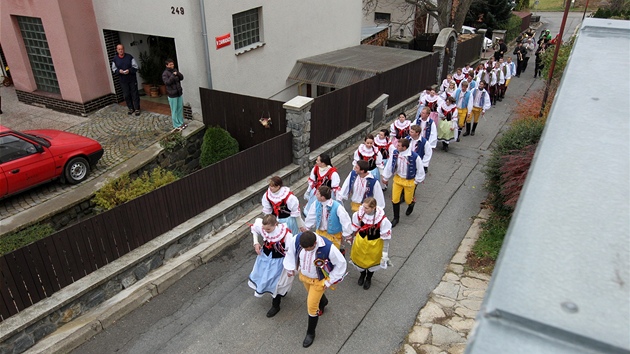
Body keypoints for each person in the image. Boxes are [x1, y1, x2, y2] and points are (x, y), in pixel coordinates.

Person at [283, 230, 347, 347]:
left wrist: (329, 281)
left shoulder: (328, 248)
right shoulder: (297, 239)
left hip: (319, 281)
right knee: (312, 295)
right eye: (303, 248)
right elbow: (291, 253)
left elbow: (341, 264)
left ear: (314, 244)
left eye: (308, 249)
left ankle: (310, 333)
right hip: (305, 277)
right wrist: (290, 268)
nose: (305, 250)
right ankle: (323, 301)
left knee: (311, 306)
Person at [248, 215, 294, 317]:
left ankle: (276, 305)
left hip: (279, 261)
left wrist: (290, 268)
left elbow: (290, 251)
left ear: (275, 224)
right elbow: (254, 229)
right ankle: (279, 295)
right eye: (264, 229)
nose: (266, 231)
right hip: (265, 257)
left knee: (276, 282)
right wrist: (256, 243)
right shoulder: (263, 227)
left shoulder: (285, 234)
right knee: (264, 277)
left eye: (268, 229)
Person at [348, 197, 392, 290]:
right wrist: (351, 238)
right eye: (363, 207)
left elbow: (386, 238)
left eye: (367, 208)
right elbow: (355, 227)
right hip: (360, 242)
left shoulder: (382, 220)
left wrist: (385, 253)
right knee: (359, 260)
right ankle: (362, 274)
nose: (364, 209)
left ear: (373, 207)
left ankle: (368, 278)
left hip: (374, 244)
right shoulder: (359, 214)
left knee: (371, 263)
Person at [382, 138, 425, 228]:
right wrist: (385, 177)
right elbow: (390, 165)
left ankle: (411, 203)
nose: (396, 146)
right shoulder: (395, 153)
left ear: (404, 147)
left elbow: (420, 170)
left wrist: (416, 181)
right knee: (395, 199)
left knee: (408, 199)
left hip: (409, 181)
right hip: (398, 179)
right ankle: (396, 218)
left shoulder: (414, 156)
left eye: (398, 145)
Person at [303, 185, 353, 250]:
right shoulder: (316, 203)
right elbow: (311, 216)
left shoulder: (337, 207)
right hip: (320, 233)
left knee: (332, 253)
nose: (316, 195)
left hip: (333, 235)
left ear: (323, 197)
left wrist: (348, 235)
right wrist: (307, 227)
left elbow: (345, 220)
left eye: (318, 194)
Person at [111, 44, 140, 116]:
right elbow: (114, 69)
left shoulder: (129, 57)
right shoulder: (115, 59)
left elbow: (135, 67)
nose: (121, 51)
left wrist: (129, 70)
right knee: (126, 95)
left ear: (124, 49)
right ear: (117, 50)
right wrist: (119, 71)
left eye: (122, 49)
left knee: (134, 94)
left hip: (132, 79)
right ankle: (130, 108)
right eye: (119, 49)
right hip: (123, 80)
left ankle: (137, 109)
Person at [162, 59, 187, 131]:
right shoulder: (165, 73)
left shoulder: (175, 70)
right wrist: (173, 75)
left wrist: (177, 73)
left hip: (178, 92)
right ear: (167, 65)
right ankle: (176, 125)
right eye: (170, 65)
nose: (172, 66)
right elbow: (167, 82)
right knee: (174, 110)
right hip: (172, 94)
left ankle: (181, 122)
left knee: (180, 109)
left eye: (172, 64)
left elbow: (181, 77)